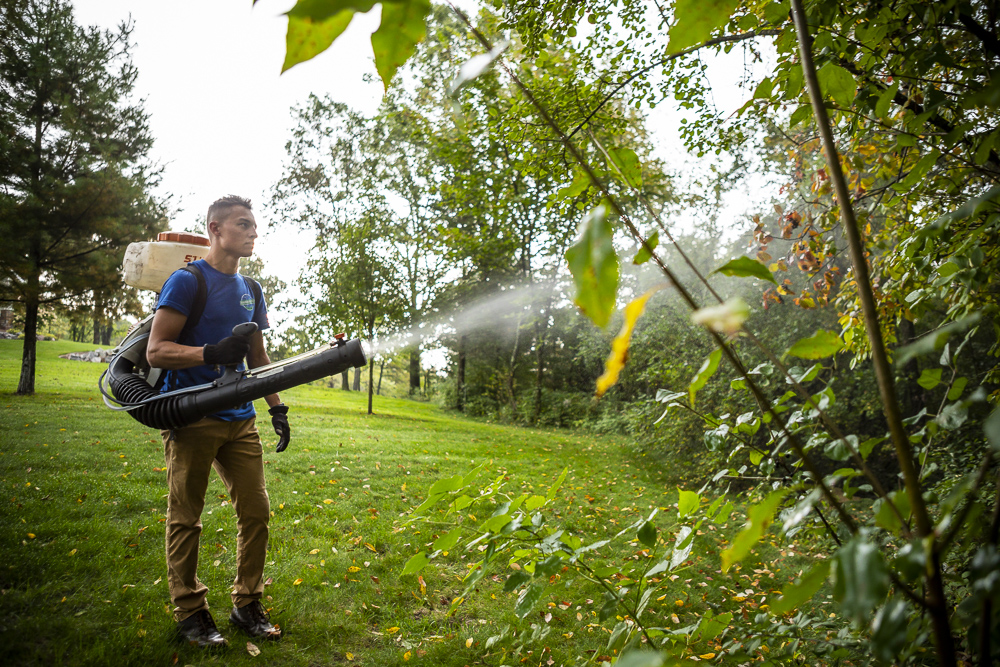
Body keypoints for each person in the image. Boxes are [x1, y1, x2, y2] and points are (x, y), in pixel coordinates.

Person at [147, 195, 290, 647]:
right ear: (215, 229)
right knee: (186, 518)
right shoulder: (187, 281)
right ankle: (190, 611)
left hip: (240, 419)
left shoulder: (252, 289)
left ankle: (247, 603)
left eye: (254, 226)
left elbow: (259, 356)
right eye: (243, 225)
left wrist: (276, 406)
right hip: (192, 417)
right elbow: (156, 350)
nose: (253, 232)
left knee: (257, 512)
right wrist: (209, 353)